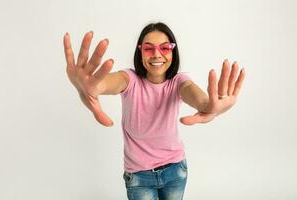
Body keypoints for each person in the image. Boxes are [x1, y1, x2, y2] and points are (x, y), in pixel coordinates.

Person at [63, 22, 245, 200]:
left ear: (173, 52)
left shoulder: (179, 81)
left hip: (175, 170)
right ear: (140, 52)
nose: (156, 54)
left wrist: (209, 105)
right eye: (148, 49)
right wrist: (93, 86)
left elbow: (197, 97)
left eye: (165, 48)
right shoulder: (130, 79)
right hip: (139, 176)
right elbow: (109, 82)